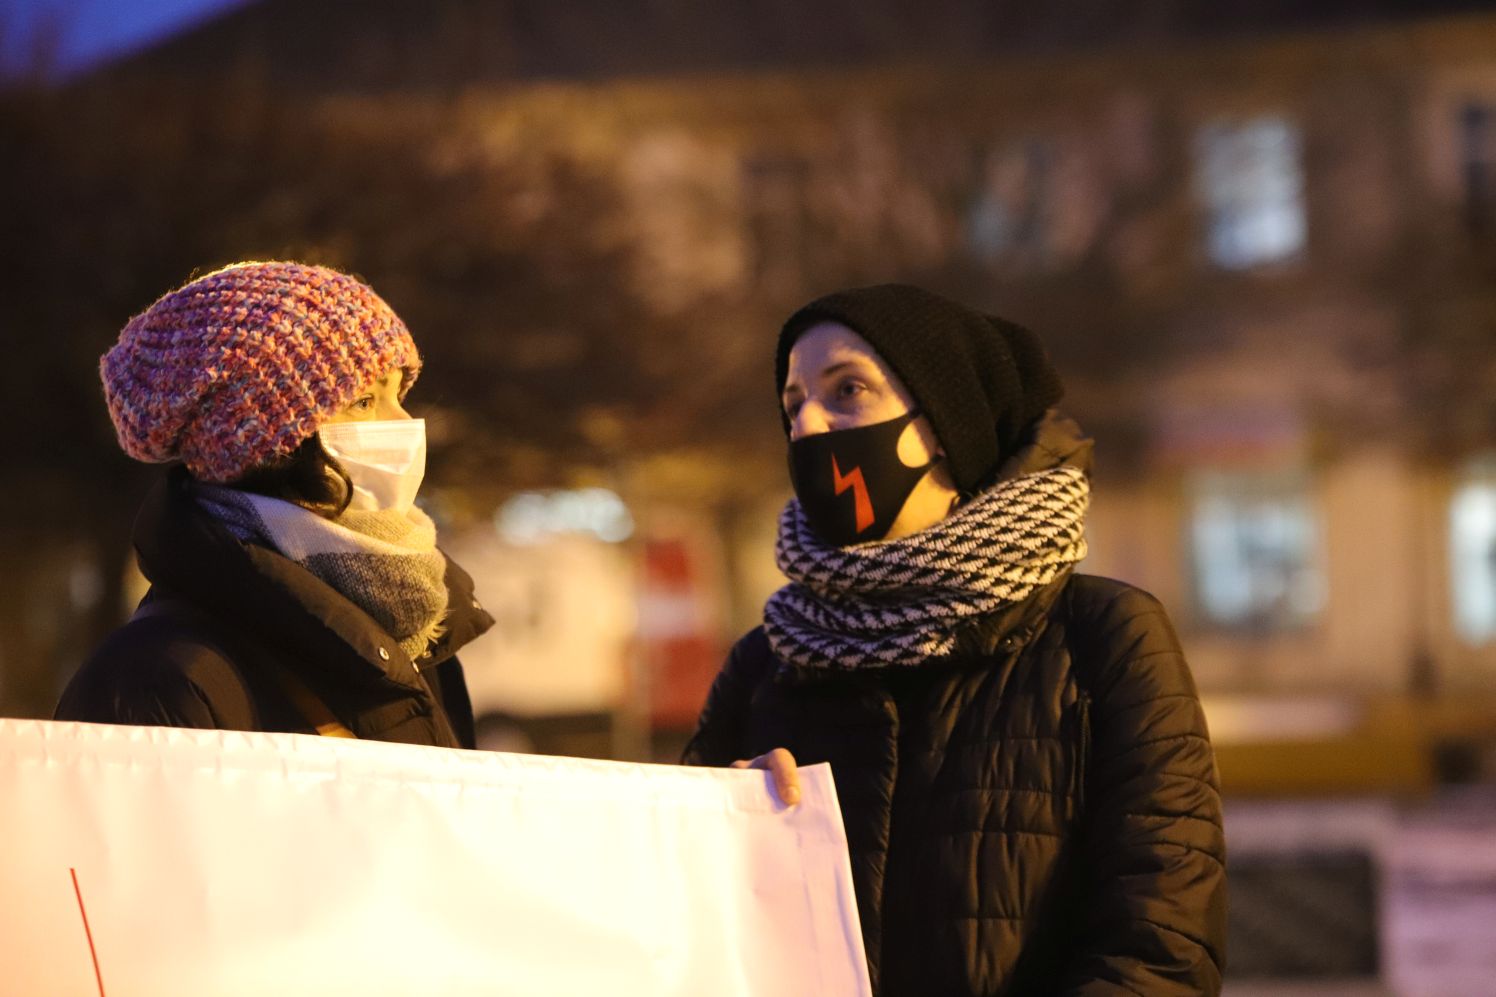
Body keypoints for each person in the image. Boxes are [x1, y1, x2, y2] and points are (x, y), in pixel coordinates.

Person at [684, 284, 1226, 996]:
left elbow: (1163, 945)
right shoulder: (766, 663)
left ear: (942, 422)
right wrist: (726, 825)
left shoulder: (1103, 640)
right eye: (792, 406)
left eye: (847, 390)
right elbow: (686, 932)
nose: (809, 425)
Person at [56, 261, 491, 747]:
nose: (405, 422)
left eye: (399, 393)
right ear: (268, 446)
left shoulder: (420, 635)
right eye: (365, 401)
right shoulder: (157, 677)